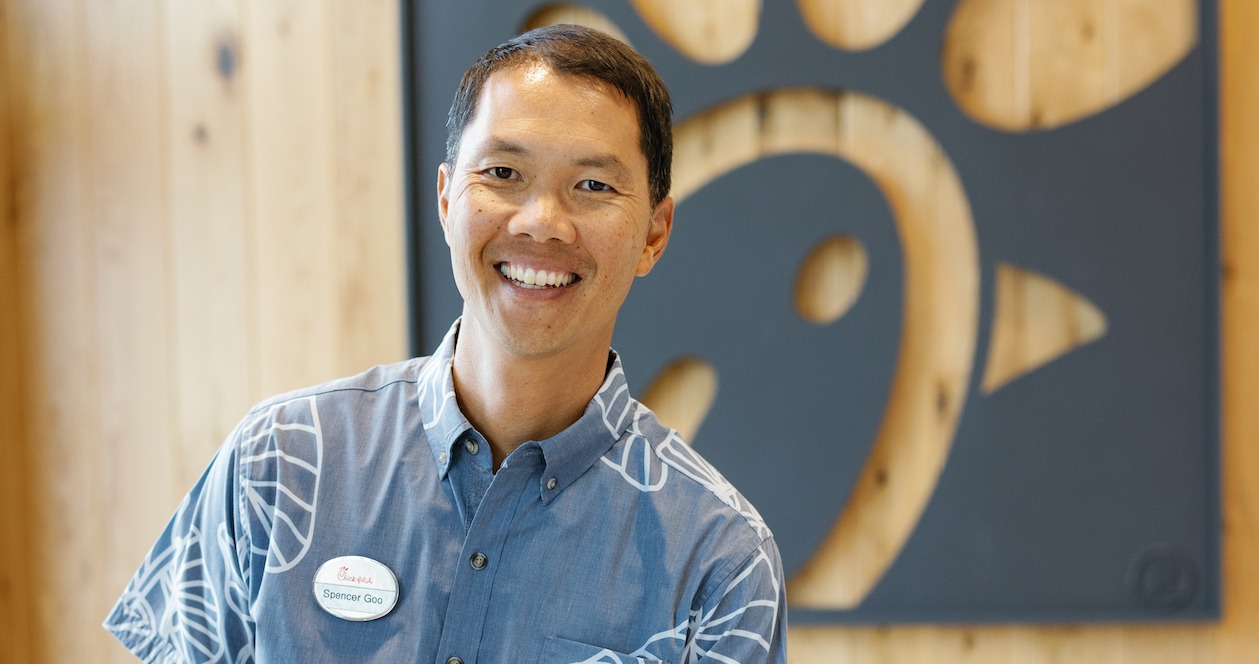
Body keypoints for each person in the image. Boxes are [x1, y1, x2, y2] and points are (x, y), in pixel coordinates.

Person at [105, 24, 787, 663]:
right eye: (502, 174)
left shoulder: (718, 559)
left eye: (592, 185)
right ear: (444, 199)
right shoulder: (276, 463)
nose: (541, 222)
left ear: (654, 233)